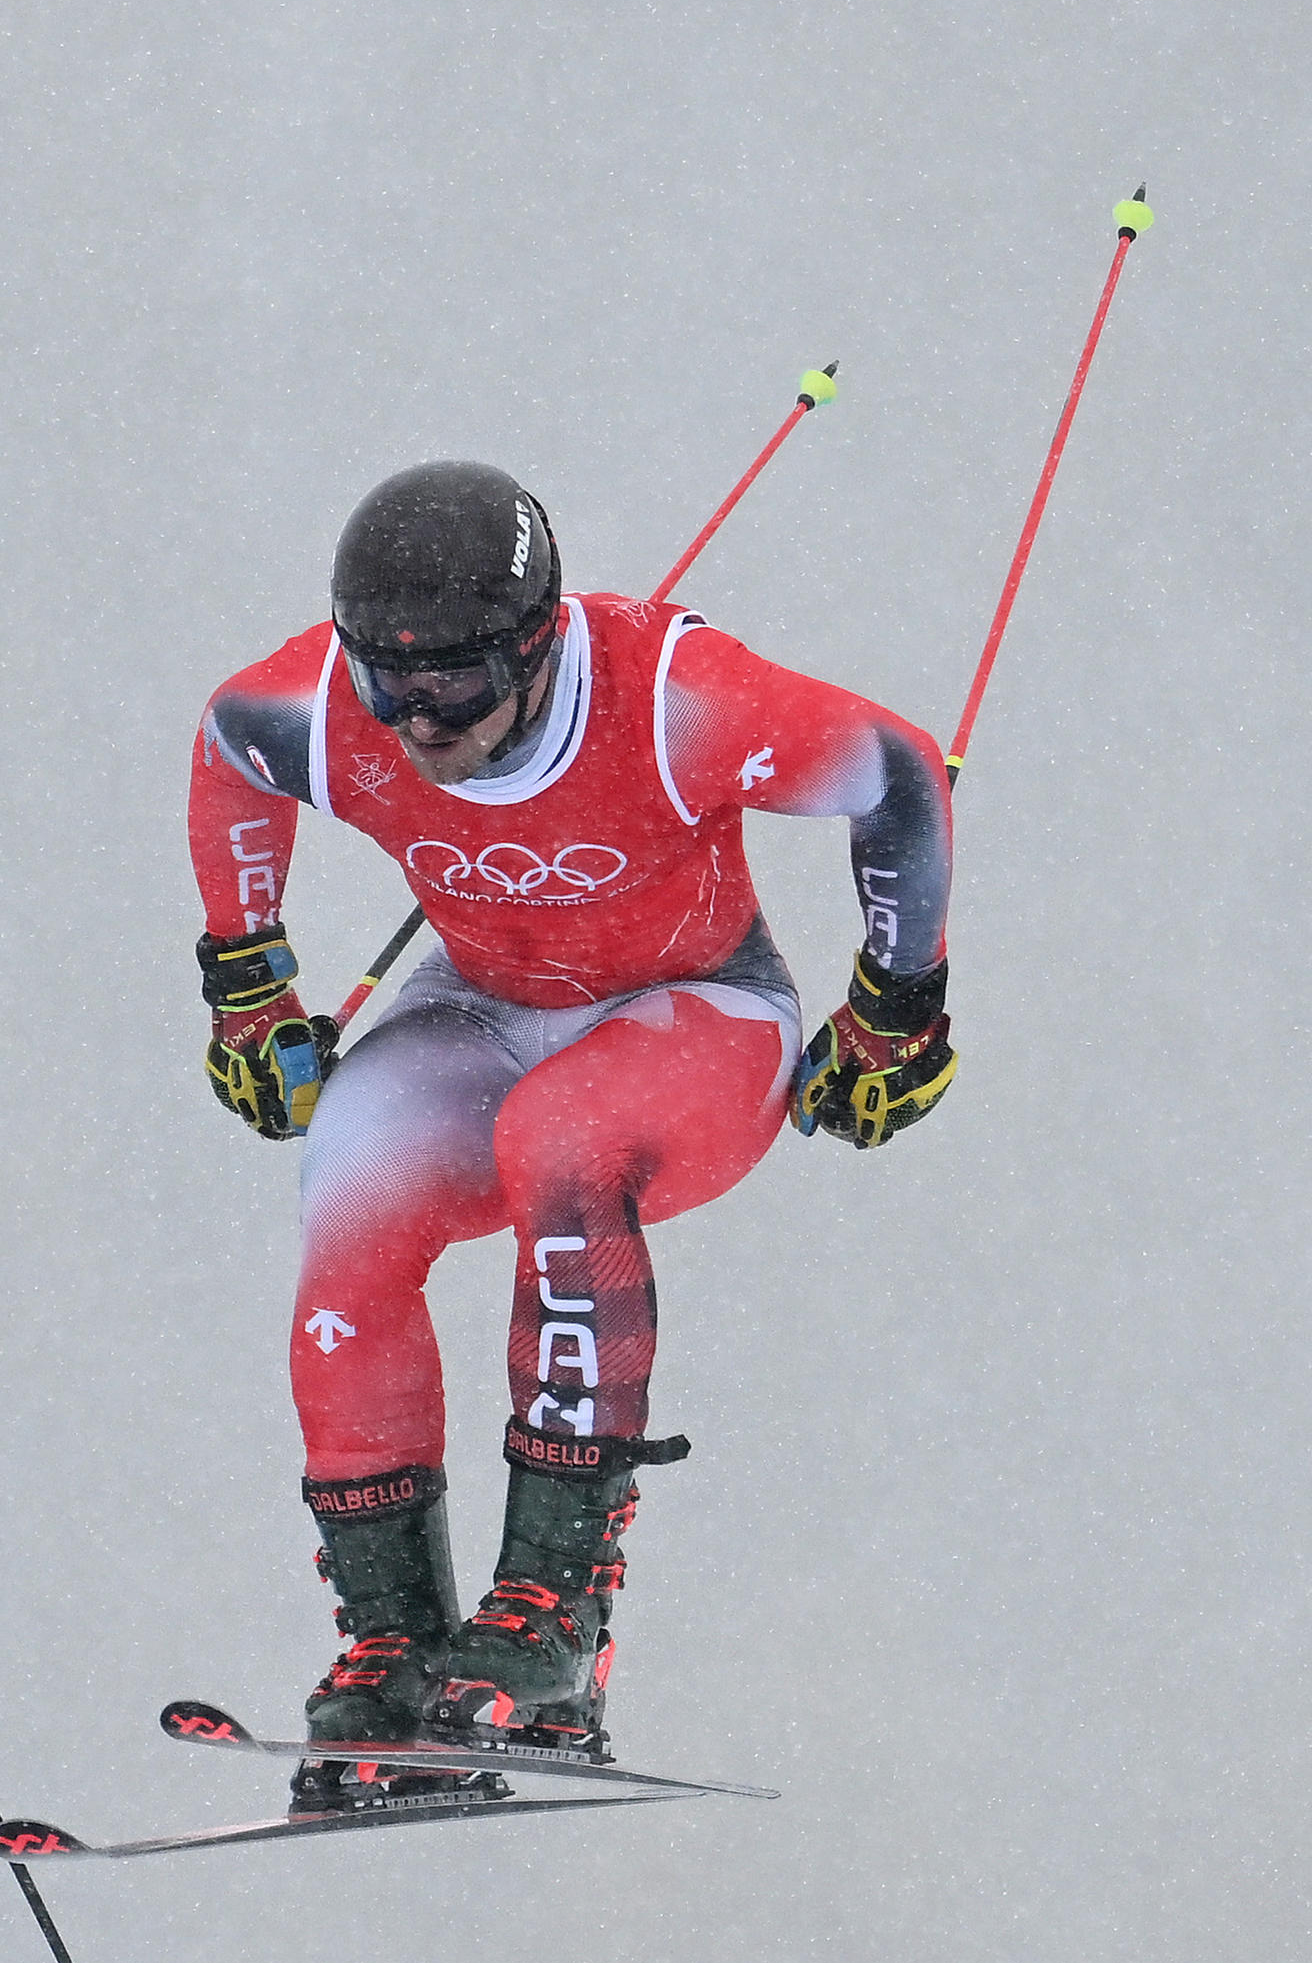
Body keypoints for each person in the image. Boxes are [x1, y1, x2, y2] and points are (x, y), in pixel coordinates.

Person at [181, 459, 960, 1797]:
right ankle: (394, 1644)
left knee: (561, 1138)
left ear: (535, 647)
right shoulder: (319, 706)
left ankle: (552, 1618)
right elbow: (229, 749)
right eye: (387, 684)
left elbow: (894, 771)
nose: (416, 723)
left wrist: (896, 1007)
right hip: (480, 1005)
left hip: (697, 1013)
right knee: (353, 1176)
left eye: (454, 686)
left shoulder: (672, 700)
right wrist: (247, 987)